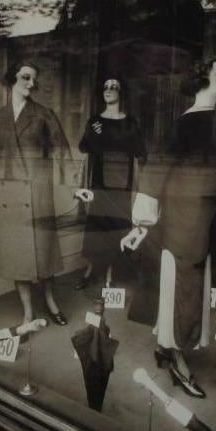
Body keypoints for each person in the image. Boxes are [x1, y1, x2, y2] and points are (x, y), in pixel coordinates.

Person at [123, 57, 216, 399]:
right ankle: (176, 359)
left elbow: (201, 171)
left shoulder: (215, 120)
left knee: (188, 286)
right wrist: (142, 221)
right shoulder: (188, 122)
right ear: (204, 81)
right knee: (182, 289)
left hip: (201, 218)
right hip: (183, 222)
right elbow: (156, 170)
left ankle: (166, 348)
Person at [0, 61, 89, 326]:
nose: (31, 83)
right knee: (18, 258)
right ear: (12, 79)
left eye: (34, 79)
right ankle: (27, 311)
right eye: (26, 77)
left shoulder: (44, 114)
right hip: (10, 197)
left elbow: (62, 152)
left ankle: (50, 301)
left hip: (38, 193)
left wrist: (75, 186)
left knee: (44, 254)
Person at [75, 76, 147, 290]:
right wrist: (94, 134)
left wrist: (106, 137)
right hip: (99, 184)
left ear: (121, 93)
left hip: (122, 185)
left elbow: (140, 151)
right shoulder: (94, 122)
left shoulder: (130, 123)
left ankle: (110, 275)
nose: (108, 90)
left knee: (118, 228)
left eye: (114, 87)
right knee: (97, 230)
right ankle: (91, 269)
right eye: (105, 87)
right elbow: (84, 147)